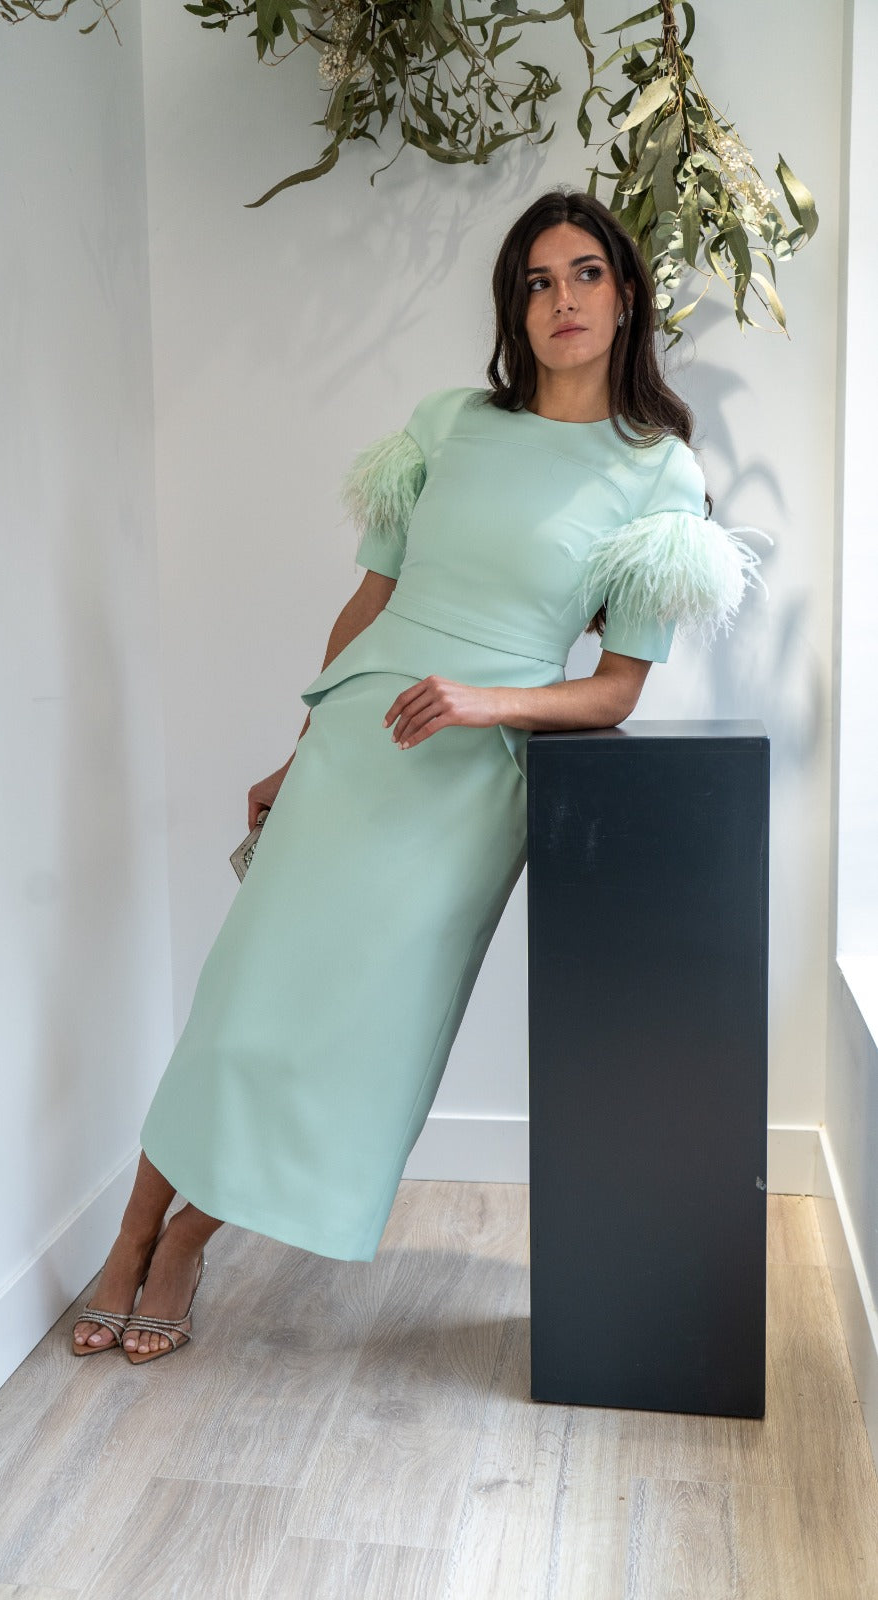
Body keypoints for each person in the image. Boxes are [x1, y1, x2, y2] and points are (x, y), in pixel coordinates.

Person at [72, 187, 764, 1364]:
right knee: (244, 1002)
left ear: (625, 295)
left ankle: (189, 1237)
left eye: (584, 274)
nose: (561, 299)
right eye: (536, 281)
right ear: (513, 307)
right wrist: (298, 750)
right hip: (357, 746)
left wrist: (488, 700)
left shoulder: (658, 476)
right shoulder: (446, 424)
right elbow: (366, 606)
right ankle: (130, 1237)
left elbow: (614, 691)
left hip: (467, 787)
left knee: (353, 1036)